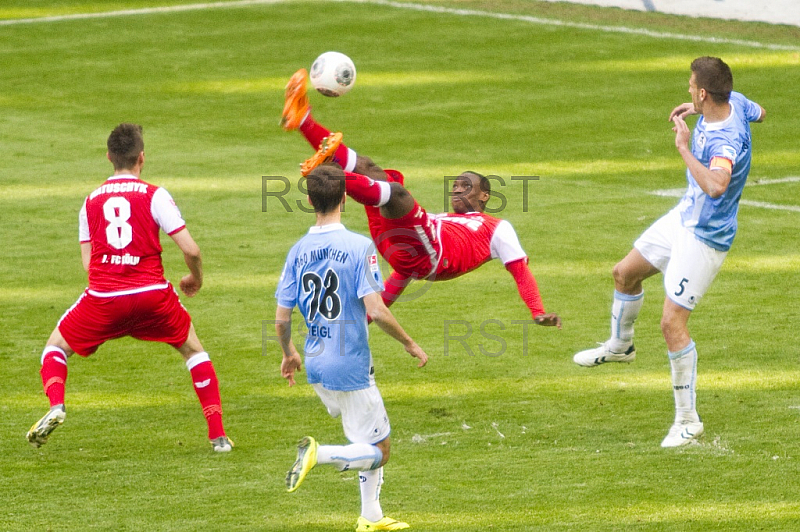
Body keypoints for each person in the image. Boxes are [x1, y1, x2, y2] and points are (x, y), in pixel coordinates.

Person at [572, 57, 766, 447]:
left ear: (703, 90)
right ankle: (620, 346)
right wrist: (697, 109)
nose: (688, 89)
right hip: (683, 216)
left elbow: (716, 185)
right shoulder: (739, 102)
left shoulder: (721, 141)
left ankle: (688, 420)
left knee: (671, 323)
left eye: (691, 87)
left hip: (705, 235)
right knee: (624, 273)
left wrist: (682, 147)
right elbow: (761, 113)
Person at [280, 69, 561, 329]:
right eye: (454, 185)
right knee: (370, 168)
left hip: (433, 254)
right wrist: (367, 319)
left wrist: (537, 311)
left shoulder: (497, 227)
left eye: (465, 185)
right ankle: (303, 119)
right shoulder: (443, 219)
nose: (456, 189)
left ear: (485, 195)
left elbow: (519, 271)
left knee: (397, 193)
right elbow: (402, 273)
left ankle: (330, 174)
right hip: (402, 242)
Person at [26, 123, 233, 453]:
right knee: (195, 352)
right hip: (153, 296)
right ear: (142, 158)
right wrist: (195, 278)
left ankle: (56, 405)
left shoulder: (90, 201)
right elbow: (191, 250)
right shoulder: (155, 195)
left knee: (54, 348)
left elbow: (88, 264)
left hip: (104, 299)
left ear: (108, 157)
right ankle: (218, 437)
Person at [275, 163, 428, 532]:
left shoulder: (297, 250)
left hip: (316, 364)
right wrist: (409, 343)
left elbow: (281, 319)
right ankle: (319, 453)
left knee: (363, 437)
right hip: (351, 366)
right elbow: (376, 309)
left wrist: (288, 354)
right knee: (380, 451)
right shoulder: (360, 247)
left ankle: (370, 518)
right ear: (345, 198)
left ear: (311, 200)